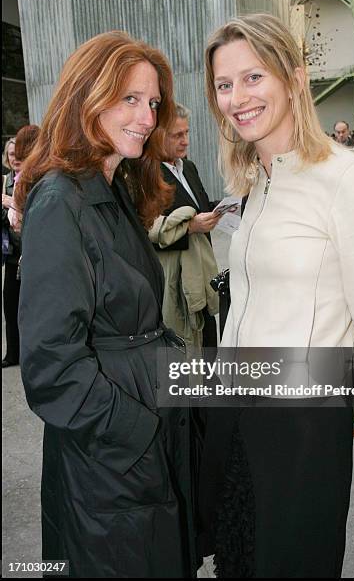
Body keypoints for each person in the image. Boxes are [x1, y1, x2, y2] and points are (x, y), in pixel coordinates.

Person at [198, 13, 354, 578]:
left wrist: (333, 405)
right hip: (236, 408)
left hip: (300, 422)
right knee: (238, 559)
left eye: (253, 77)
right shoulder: (255, 179)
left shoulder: (345, 179)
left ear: (292, 77)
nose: (237, 97)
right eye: (224, 84)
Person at [15, 31, 195, 578]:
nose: (146, 116)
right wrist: (137, 432)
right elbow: (50, 364)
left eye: (153, 102)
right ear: (87, 97)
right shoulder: (60, 200)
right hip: (111, 455)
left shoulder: (111, 188)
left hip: (135, 440)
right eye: (129, 99)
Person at [150, 103, 220, 358]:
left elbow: (199, 206)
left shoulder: (188, 167)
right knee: (185, 356)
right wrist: (190, 227)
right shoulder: (147, 176)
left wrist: (223, 209)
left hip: (203, 275)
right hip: (177, 283)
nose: (185, 141)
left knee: (210, 347)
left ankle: (211, 395)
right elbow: (148, 234)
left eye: (187, 133)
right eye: (177, 135)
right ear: (158, 136)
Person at [2, 137, 20, 367]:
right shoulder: (5, 181)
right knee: (10, 305)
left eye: (17, 153)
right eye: (10, 154)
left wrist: (11, 203)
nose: (14, 158)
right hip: (13, 255)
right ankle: (12, 354)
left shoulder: (33, 177)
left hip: (33, 253)